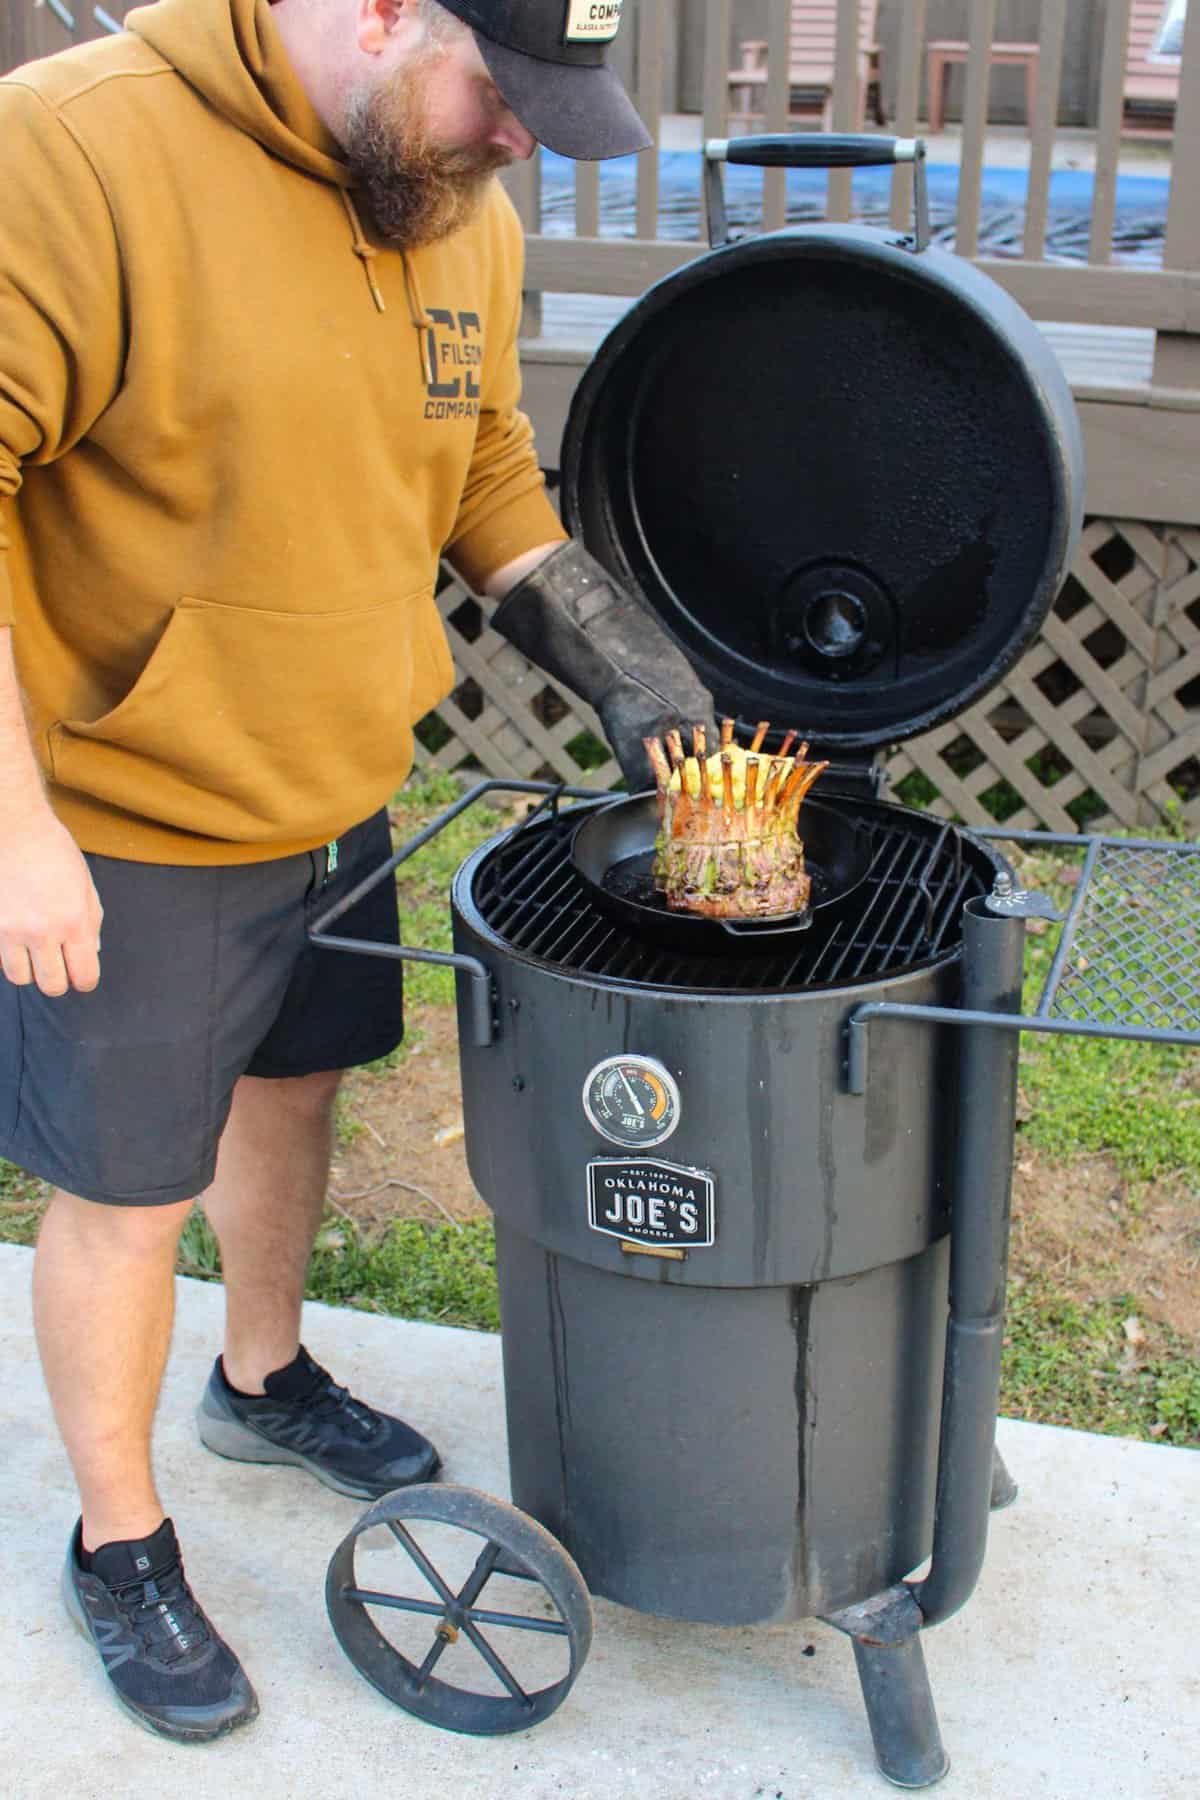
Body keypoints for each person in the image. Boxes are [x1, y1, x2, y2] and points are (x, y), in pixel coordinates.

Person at [0, 0, 715, 1742]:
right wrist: (16, 829)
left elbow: (481, 468)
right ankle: (122, 1543)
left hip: (331, 778)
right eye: (505, 91)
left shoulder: (452, 193)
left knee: (298, 1082)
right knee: (125, 1191)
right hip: (133, 806)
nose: (521, 139)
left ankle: (262, 1376)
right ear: (388, 11)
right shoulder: (71, 153)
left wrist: (629, 663)